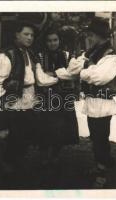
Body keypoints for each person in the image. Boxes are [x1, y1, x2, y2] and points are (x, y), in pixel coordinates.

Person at [0, 20, 58, 172]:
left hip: (29, 98)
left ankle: (16, 162)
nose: (30, 38)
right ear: (16, 35)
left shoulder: (30, 54)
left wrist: (60, 75)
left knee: (26, 133)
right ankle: (9, 164)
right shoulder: (7, 55)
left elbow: (40, 79)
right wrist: (6, 98)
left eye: (32, 35)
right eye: (26, 34)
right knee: (17, 133)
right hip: (15, 101)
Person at [66, 17, 116, 187]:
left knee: (100, 138)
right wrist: (85, 67)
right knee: (96, 137)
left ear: (100, 35)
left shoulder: (112, 56)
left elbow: (99, 78)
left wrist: (84, 70)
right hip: (92, 101)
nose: (89, 37)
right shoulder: (92, 52)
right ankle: (102, 163)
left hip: (103, 104)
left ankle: (102, 172)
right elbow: (73, 66)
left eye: (91, 34)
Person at [36, 29, 80, 166]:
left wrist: (53, 74)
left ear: (60, 41)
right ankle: (43, 155)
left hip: (64, 97)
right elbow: (40, 78)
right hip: (46, 97)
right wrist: (62, 75)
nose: (52, 43)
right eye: (49, 41)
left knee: (62, 128)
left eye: (55, 40)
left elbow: (73, 74)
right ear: (45, 42)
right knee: (46, 127)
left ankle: (55, 154)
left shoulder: (67, 56)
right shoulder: (40, 56)